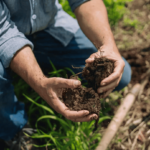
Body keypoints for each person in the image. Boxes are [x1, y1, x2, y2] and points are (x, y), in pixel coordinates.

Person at [0, 0, 131, 149]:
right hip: (3, 35)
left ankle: (36, 63)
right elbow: (3, 33)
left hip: (49, 26)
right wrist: (40, 82)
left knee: (120, 75)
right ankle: (12, 130)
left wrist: (107, 45)